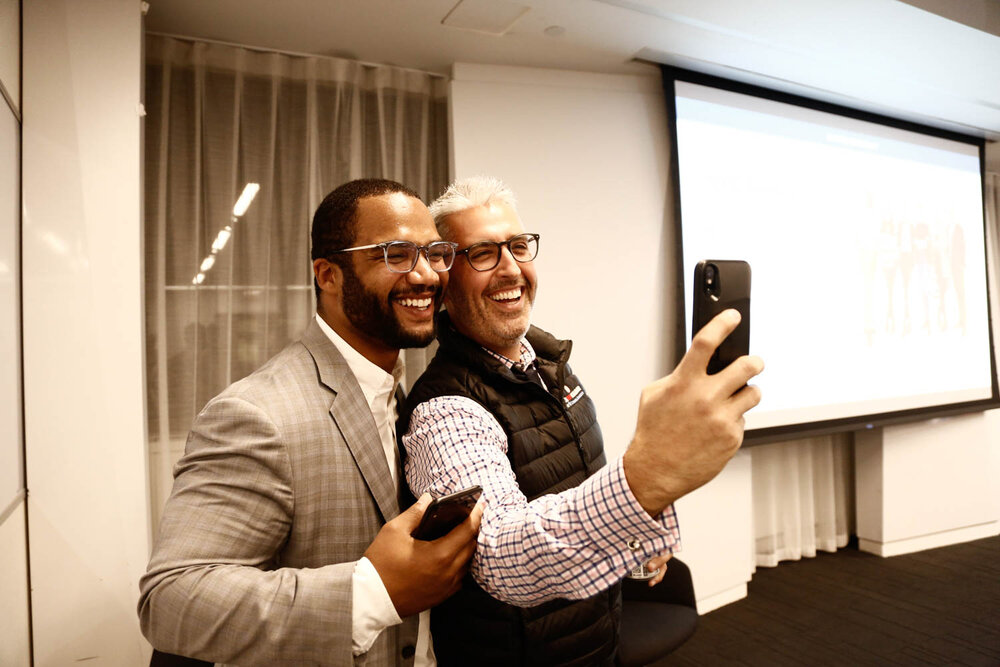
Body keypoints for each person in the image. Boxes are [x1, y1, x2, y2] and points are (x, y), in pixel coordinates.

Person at [398, 176, 763, 666]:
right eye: (483, 253)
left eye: (519, 246)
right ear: (445, 280)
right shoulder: (444, 409)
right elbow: (499, 556)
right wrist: (644, 483)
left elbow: (574, 485)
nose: (511, 268)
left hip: (595, 637)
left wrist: (634, 531)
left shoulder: (550, 365)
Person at [138, 178, 482, 667]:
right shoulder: (257, 414)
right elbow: (171, 599)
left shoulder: (404, 390)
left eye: (434, 253)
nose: (426, 275)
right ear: (328, 275)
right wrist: (371, 593)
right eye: (396, 254)